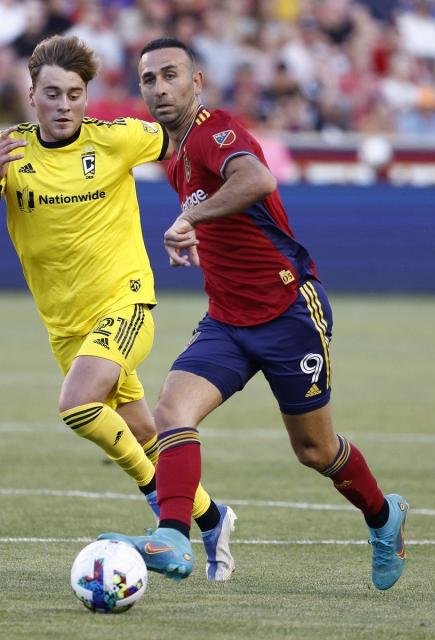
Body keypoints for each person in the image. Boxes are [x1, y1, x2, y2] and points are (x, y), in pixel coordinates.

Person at [100, 37, 409, 591]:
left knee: (315, 450)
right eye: (149, 79)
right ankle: (172, 536)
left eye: (171, 75)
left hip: (289, 312)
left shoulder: (215, 132)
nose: (160, 88)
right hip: (226, 320)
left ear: (197, 83)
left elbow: (257, 179)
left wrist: (192, 220)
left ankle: (384, 519)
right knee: (172, 412)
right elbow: (221, 214)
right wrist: (194, 234)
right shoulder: (176, 154)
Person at [0, 35, 236, 581]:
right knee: (143, 435)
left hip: (125, 301)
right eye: (53, 94)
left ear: (87, 98)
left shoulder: (117, 139)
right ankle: (212, 518)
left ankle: (161, 504)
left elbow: (192, 136)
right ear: (31, 95)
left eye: (75, 94)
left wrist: (197, 214)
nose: (64, 105)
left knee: (77, 404)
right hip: (66, 327)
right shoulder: (4, 149)